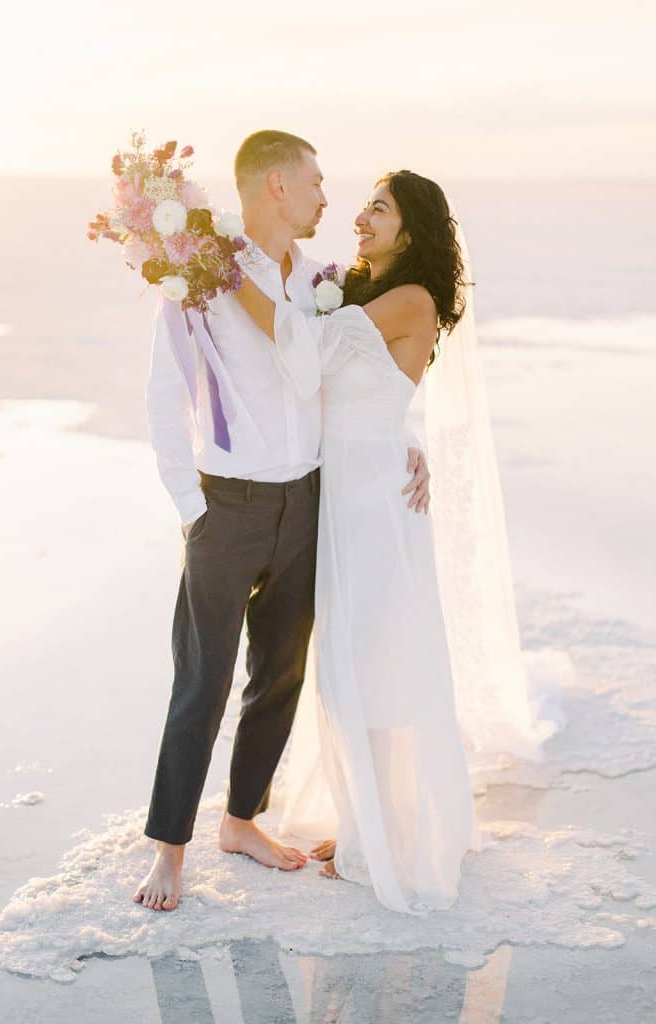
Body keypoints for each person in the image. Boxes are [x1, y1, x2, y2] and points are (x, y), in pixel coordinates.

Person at [133, 133, 430, 912]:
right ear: (274, 186)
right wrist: (191, 506)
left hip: (307, 500)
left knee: (281, 673)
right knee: (202, 678)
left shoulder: (321, 281)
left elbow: (358, 380)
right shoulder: (202, 272)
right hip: (226, 504)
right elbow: (166, 392)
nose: (326, 198)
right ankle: (169, 848)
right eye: (314, 182)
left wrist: (406, 442)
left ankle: (240, 822)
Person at [234, 170, 481, 912]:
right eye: (365, 205)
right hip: (345, 486)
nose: (360, 217)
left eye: (378, 208)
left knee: (369, 665)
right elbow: (356, 386)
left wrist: (213, 273)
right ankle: (361, 820)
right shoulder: (367, 291)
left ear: (413, 228)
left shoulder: (410, 299)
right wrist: (405, 438)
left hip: (372, 500)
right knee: (346, 660)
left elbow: (302, 355)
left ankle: (376, 835)